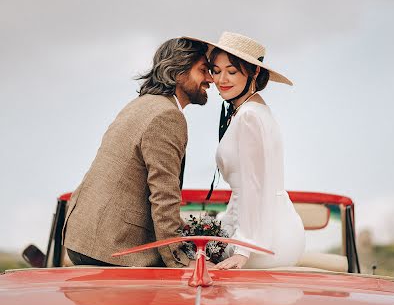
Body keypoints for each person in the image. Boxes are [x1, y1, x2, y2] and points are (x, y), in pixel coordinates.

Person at [63, 37, 213, 267]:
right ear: (178, 72)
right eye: (203, 70)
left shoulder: (141, 104)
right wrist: (182, 261)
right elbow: (163, 194)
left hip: (83, 240)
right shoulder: (167, 116)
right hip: (113, 249)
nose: (210, 79)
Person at [204, 31, 305, 269]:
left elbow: (253, 185)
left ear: (254, 71)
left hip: (263, 239)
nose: (222, 79)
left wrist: (243, 249)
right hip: (269, 226)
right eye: (216, 71)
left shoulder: (249, 116)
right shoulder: (254, 110)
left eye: (232, 71)